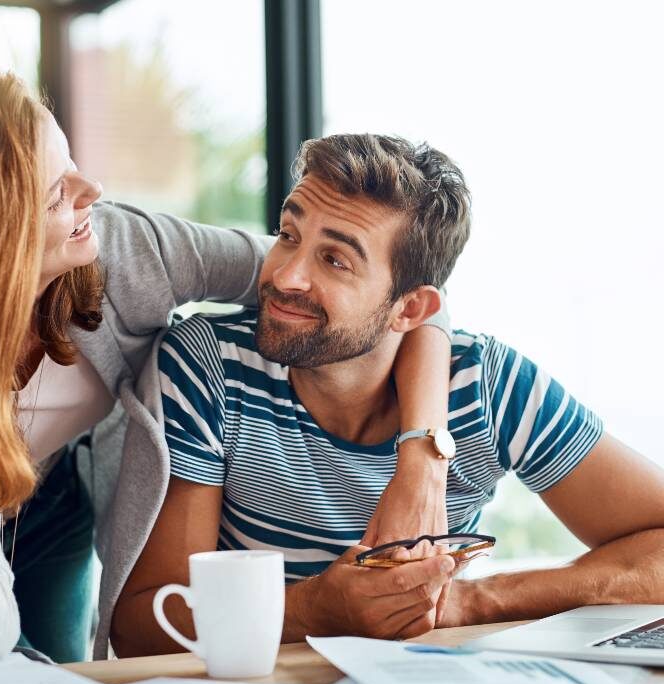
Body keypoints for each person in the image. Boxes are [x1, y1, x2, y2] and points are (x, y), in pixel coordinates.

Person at [0, 65, 452, 662]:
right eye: (55, 192)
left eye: (70, 162)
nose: (90, 189)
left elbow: (401, 300)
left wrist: (422, 457)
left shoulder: (126, 252)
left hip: (54, 485)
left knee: (61, 677)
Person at [112, 133, 664, 657]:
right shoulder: (207, 365)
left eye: (335, 260)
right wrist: (312, 610)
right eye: (288, 235)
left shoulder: (485, 386)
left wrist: (473, 600)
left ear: (411, 309)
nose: (285, 275)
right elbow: (141, 624)